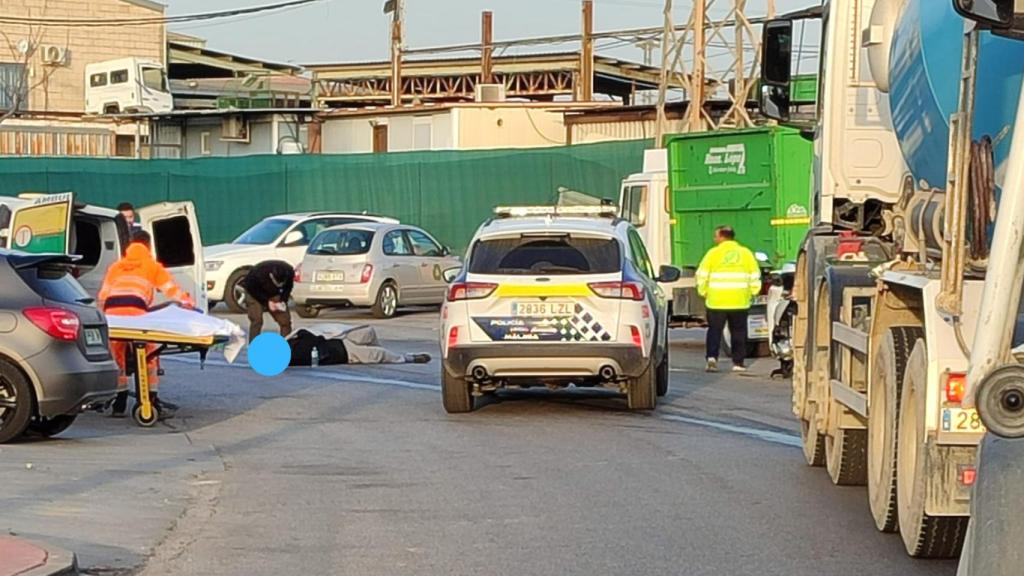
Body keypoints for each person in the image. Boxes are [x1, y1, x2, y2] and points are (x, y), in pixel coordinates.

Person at [98, 230, 194, 417]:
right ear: (148, 246)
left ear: (130, 246)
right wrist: (188, 302)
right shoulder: (151, 266)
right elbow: (170, 289)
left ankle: (119, 402)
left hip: (112, 313)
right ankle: (149, 399)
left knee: (118, 358)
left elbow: (103, 296)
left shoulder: (116, 266)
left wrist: (104, 318)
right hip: (135, 310)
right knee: (148, 354)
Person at [696, 225, 762, 373]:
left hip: (716, 301)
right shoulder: (745, 253)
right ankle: (738, 362)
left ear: (721, 237)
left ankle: (712, 358)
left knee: (714, 331)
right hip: (739, 300)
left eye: (715, 236)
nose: (714, 239)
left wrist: (703, 291)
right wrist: (753, 291)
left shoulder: (713, 254)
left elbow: (702, 274)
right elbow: (754, 274)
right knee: (738, 332)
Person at [288, 325, 431, 366]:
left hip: (337, 336)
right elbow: (311, 344)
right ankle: (408, 358)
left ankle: (383, 350)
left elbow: (304, 332)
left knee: (368, 331)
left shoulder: (289, 341)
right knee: (378, 354)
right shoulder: (292, 358)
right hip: (344, 351)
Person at [241, 260, 294, 343]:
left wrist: (283, 300)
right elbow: (254, 291)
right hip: (254, 293)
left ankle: (286, 344)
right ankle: (253, 345)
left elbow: (288, 288)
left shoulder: (289, 271)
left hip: (274, 293)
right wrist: (267, 302)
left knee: (285, 321)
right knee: (257, 320)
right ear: (271, 275)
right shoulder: (257, 274)